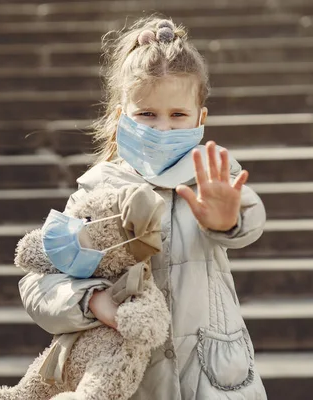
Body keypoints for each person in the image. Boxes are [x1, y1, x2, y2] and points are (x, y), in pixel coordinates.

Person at [19, 16, 268, 399]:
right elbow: (39, 282)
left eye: (178, 115)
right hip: (130, 383)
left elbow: (250, 216)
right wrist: (92, 302)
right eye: (147, 115)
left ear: (200, 120)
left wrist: (228, 219)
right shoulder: (96, 189)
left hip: (212, 378)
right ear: (122, 118)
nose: (163, 129)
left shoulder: (211, 174)